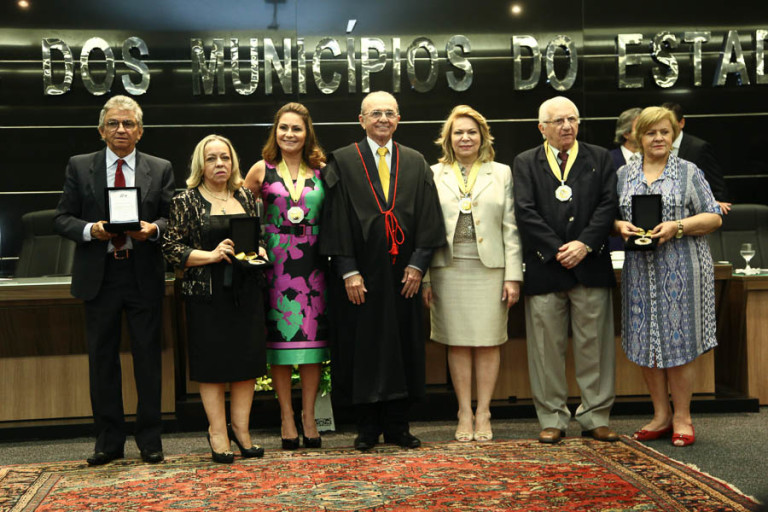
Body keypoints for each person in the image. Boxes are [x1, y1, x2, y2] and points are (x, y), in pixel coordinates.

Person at [320, 91, 446, 451]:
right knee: (365, 347)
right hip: (361, 276)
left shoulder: (416, 161)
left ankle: (398, 426)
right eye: (375, 113)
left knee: (402, 345)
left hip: (404, 274)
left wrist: (418, 264)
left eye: (390, 113)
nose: (382, 119)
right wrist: (347, 270)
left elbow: (428, 216)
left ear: (399, 120)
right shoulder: (343, 161)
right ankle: (367, 427)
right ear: (361, 120)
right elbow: (336, 219)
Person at [53, 95, 174, 465]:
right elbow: (62, 218)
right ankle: (108, 441)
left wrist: (153, 230)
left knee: (147, 361)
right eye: (113, 124)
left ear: (140, 130)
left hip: (142, 275)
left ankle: (150, 440)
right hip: (100, 276)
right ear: (101, 129)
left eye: (128, 124)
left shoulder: (160, 167)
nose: (120, 130)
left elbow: (172, 220)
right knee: (102, 361)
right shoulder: (80, 165)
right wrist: (92, 230)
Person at [513, 96, 619, 445]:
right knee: (545, 350)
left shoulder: (600, 157)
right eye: (558, 121)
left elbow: (608, 206)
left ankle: (595, 416)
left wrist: (584, 244)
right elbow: (525, 211)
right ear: (541, 127)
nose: (567, 127)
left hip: (590, 264)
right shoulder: (526, 161)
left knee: (596, 347)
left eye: (572, 119)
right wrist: (558, 249)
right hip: (546, 267)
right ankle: (552, 418)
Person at [614, 106, 721, 447]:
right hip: (639, 272)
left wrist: (677, 227)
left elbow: (714, 217)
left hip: (682, 270)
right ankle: (660, 415)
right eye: (650, 133)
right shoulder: (623, 175)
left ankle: (683, 417)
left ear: (673, 134)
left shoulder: (689, 172)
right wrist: (619, 226)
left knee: (678, 343)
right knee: (646, 342)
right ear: (637, 137)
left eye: (664, 132)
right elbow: (612, 216)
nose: (658, 138)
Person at [162, 134, 267, 463]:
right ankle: (217, 433)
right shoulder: (186, 201)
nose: (220, 164)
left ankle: (242, 431)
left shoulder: (246, 197)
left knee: (245, 366)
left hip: (245, 291)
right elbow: (171, 248)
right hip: (207, 296)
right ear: (200, 165)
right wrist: (210, 255)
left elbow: (256, 236)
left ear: (233, 162)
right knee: (213, 368)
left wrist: (258, 250)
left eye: (225, 157)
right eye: (212, 159)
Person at [422, 105, 523, 442]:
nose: (465, 138)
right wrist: (423, 277)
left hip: (490, 268)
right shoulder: (433, 173)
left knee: (489, 340)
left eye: (471, 132)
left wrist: (513, 276)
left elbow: (511, 228)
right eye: (458, 132)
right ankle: (464, 410)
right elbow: (423, 228)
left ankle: (484, 412)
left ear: (482, 137)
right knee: (458, 340)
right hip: (447, 267)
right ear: (448, 138)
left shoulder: (502, 173)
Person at [244, 102, 329, 450]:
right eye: (283, 128)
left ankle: (308, 416)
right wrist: (253, 248)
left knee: (312, 346)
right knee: (280, 345)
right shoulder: (260, 171)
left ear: (307, 132)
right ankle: (286, 417)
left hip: (314, 265)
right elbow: (240, 211)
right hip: (276, 264)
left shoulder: (322, 169)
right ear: (274, 132)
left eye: (296, 129)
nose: (289, 134)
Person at [661, 102, 731, 214]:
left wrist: (714, 203)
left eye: (671, 124)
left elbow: (717, 186)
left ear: (681, 123)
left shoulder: (698, 148)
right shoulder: (653, 147)